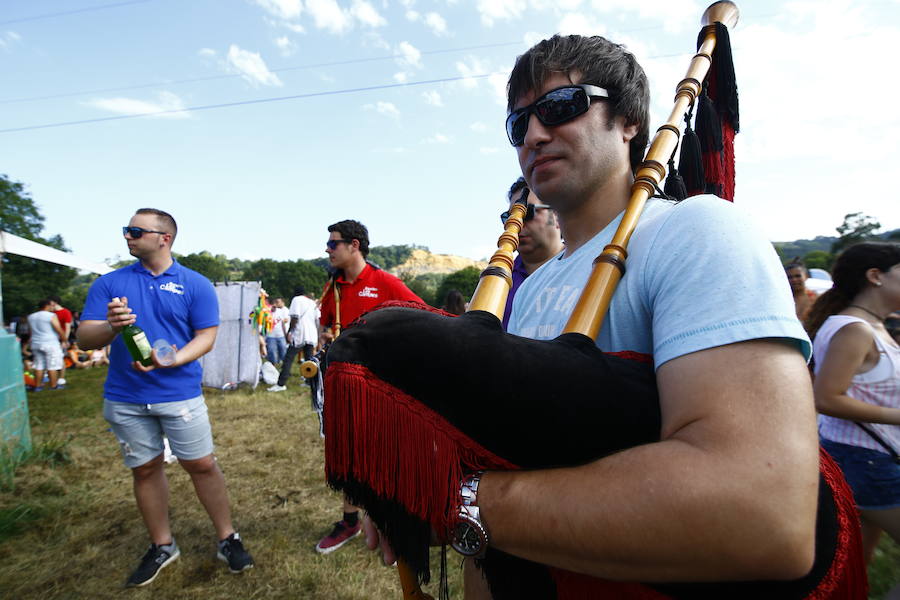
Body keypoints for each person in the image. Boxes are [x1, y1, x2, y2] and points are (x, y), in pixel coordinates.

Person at [367, 34, 820, 596]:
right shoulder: (532, 291)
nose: (533, 134)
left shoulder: (697, 231)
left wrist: (454, 500)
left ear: (629, 120)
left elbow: (765, 516)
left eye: (560, 107)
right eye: (518, 125)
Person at [78, 208, 254, 588]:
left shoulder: (196, 283)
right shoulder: (109, 284)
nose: (127, 236)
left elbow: (206, 336)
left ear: (164, 238)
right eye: (127, 230)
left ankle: (227, 537)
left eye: (136, 231)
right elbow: (84, 339)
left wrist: (169, 358)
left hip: (179, 394)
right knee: (145, 468)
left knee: (202, 464)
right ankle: (162, 545)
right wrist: (111, 325)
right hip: (125, 397)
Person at [315, 219, 424, 554]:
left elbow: (421, 315)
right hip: (340, 384)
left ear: (354, 245)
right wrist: (325, 338)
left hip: (380, 386)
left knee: (385, 451)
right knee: (346, 452)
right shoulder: (331, 289)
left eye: (333, 244)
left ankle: (396, 514)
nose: (327, 249)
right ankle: (351, 520)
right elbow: (323, 326)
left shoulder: (384, 282)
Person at [806, 242, 900, 592]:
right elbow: (827, 398)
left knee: (853, 562)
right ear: (875, 276)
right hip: (865, 461)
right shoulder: (855, 329)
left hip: (865, 457)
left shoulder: (874, 325)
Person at [501, 176, 564, 330]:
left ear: (556, 215)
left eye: (527, 212)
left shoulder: (589, 267)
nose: (517, 222)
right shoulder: (497, 277)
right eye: (509, 216)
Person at [268, 287, 319, 393]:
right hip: (311, 334)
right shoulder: (312, 302)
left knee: (288, 359)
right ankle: (309, 382)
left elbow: (295, 318)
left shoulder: (296, 300)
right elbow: (317, 318)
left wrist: (289, 332)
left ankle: (281, 384)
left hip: (300, 334)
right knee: (309, 360)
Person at [26, 299, 66, 391]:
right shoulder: (51, 316)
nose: (53, 307)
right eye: (52, 305)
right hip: (50, 343)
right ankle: (54, 386)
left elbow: (30, 332)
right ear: (47, 306)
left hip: (36, 343)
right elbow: (58, 328)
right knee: (52, 365)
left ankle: (38, 386)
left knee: (39, 365)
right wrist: (64, 339)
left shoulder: (31, 316)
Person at [50, 295, 73, 385]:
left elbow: (68, 328)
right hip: (52, 339)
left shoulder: (65, 312)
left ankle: (61, 378)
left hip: (61, 339)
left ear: (55, 302)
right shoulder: (50, 313)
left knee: (60, 358)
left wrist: (65, 340)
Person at [265, 297, 290, 365]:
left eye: (275, 304)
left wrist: (285, 335)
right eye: (272, 305)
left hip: (280, 335)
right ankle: (273, 365)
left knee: (283, 351)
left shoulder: (280, 312)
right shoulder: (266, 312)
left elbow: (282, 324)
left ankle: (284, 365)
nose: (274, 306)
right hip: (270, 335)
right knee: (271, 351)